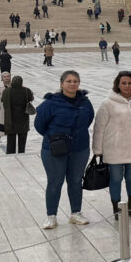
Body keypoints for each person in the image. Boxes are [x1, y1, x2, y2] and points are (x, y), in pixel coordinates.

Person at [34, 69, 95, 229]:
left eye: (75, 81)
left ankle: (76, 213)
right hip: (55, 149)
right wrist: (56, 137)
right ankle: (51, 216)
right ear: (62, 84)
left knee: (75, 181)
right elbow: (40, 125)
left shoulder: (85, 103)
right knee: (55, 182)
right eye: (69, 81)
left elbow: (89, 119)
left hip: (79, 148)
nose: (72, 84)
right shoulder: (50, 103)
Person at [92, 71, 131, 218]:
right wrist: (98, 149)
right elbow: (99, 126)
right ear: (118, 85)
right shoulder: (108, 103)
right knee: (116, 178)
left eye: (130, 83)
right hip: (114, 148)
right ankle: (117, 208)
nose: (127, 86)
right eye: (124, 83)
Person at [2, 75, 34, 155]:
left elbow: (3, 100)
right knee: (22, 142)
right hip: (23, 119)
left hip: (10, 119)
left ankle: (10, 154)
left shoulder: (6, 91)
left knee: (10, 142)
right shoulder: (26, 90)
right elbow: (31, 98)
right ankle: (21, 153)